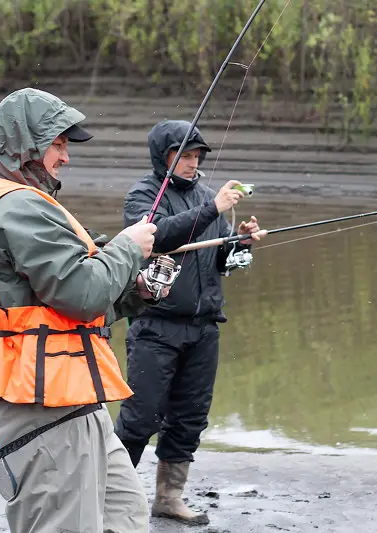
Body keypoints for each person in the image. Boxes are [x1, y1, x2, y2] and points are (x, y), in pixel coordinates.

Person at [0, 87, 165, 533]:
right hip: (34, 404)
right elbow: (83, 293)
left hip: (67, 399)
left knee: (124, 516)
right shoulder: (17, 206)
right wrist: (126, 247)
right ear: (27, 144)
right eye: (59, 144)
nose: (66, 157)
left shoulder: (14, 202)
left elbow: (60, 311)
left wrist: (136, 290)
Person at [113, 119, 263, 525]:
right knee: (142, 416)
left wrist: (240, 243)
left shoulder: (205, 198)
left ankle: (168, 497)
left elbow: (219, 262)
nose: (193, 163)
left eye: (197, 156)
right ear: (164, 158)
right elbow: (158, 237)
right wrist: (213, 208)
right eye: (184, 156)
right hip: (154, 326)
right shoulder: (145, 195)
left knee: (190, 416)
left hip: (203, 328)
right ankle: (111, 497)